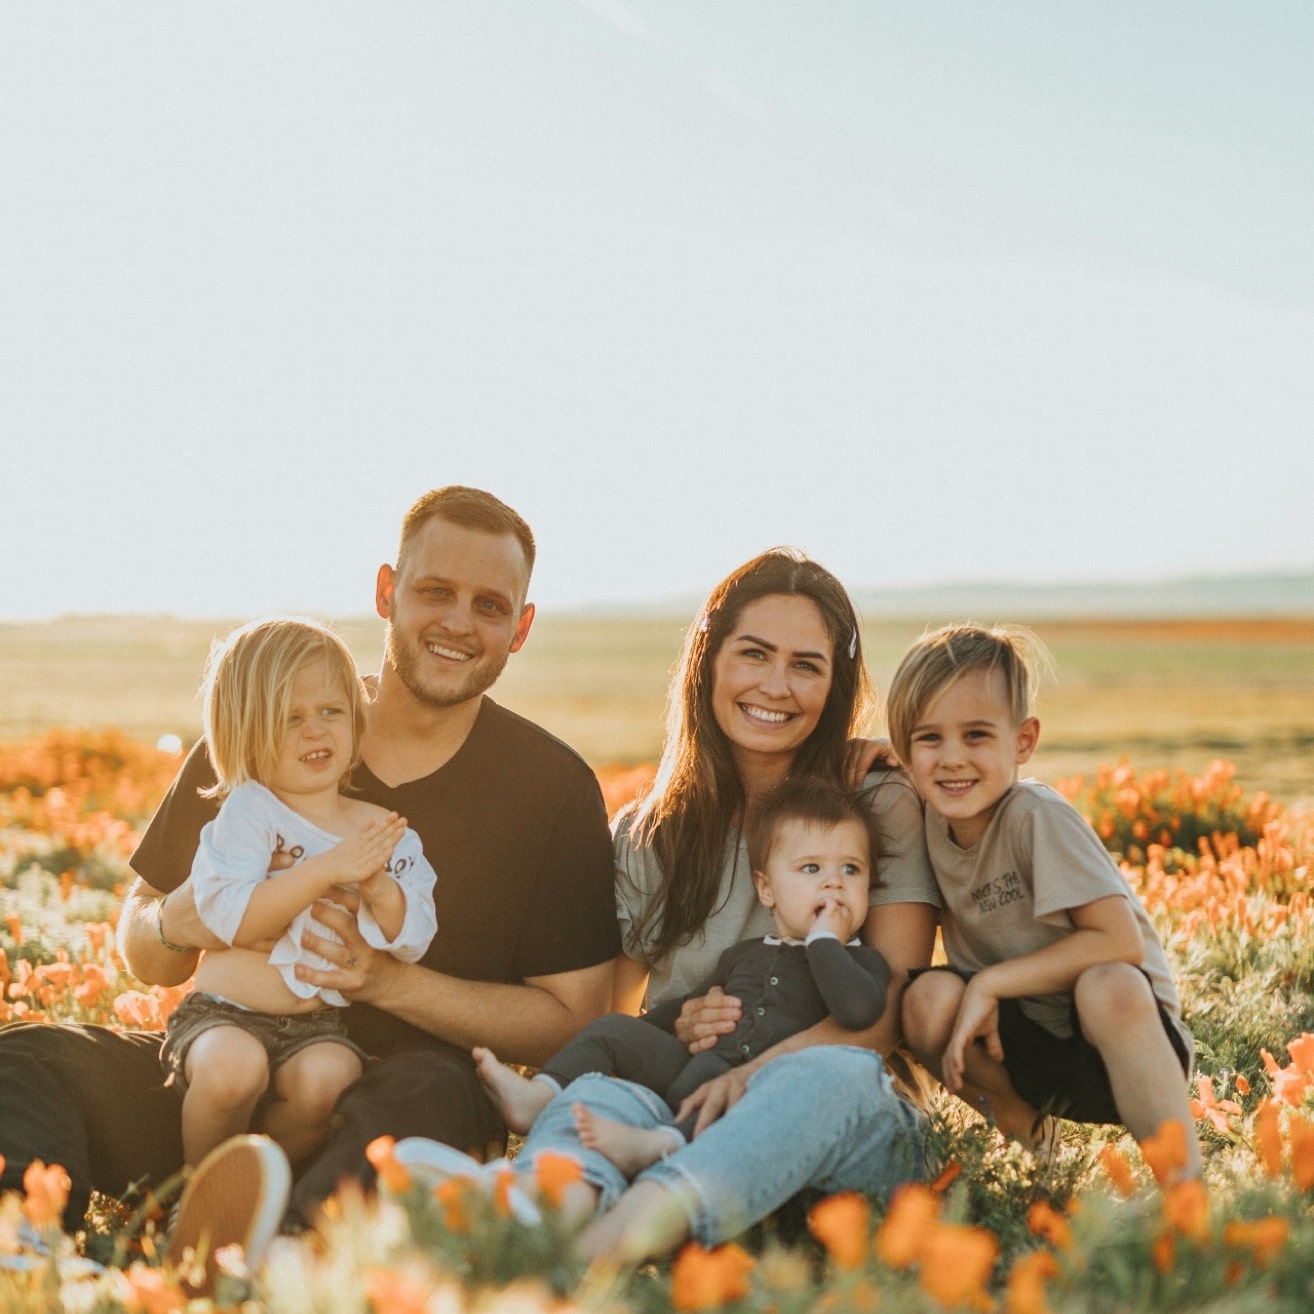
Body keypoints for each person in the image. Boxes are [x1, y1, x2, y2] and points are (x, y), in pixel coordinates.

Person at [0, 487, 619, 1277]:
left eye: (489, 605)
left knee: (429, 1095)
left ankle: (270, 1253)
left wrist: (385, 982)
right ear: (386, 592)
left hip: (393, 1108)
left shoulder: (552, 788)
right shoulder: (270, 726)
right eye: (436, 592)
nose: (459, 623)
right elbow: (144, 945)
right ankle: (22, 1246)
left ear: (520, 628)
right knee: (30, 1058)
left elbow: (570, 1020)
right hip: (224, 1077)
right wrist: (186, 921)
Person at [401, 548, 940, 1264]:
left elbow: (887, 1019)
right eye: (754, 654)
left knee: (826, 1075)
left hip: (842, 1125)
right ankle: (538, 1207)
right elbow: (609, 1018)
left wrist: (752, 1074)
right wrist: (678, 1024)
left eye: (806, 665)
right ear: (709, 660)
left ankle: (602, 1248)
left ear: (834, 685)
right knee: (603, 1088)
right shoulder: (649, 835)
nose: (776, 686)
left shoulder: (875, 804)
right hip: (684, 1111)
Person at [886, 623, 1200, 1176]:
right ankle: (1036, 1154)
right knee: (924, 1001)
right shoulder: (927, 820)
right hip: (1023, 1047)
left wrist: (990, 981)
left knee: (1110, 984)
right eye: (929, 738)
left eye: (977, 735)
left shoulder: (1036, 817)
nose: (952, 758)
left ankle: (1184, 1189)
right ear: (905, 750)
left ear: (1024, 741)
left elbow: (1118, 941)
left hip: (1119, 1045)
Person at [474, 775, 891, 1177]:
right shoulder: (744, 954)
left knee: (722, 1095)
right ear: (767, 889)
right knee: (613, 1030)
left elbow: (857, 1010)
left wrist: (824, 943)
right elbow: (683, 1008)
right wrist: (651, 1031)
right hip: (693, 1069)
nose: (834, 884)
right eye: (812, 869)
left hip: (760, 1093)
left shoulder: (863, 964)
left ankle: (659, 1145)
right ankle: (539, 1095)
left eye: (851, 870)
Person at [162, 616, 438, 1171]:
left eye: (331, 713)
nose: (315, 732)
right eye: (290, 719)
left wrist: (377, 887)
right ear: (246, 733)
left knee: (329, 1080)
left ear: (356, 722)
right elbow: (231, 919)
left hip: (317, 1026)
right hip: (223, 1013)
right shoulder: (249, 811)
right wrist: (326, 869)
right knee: (233, 1072)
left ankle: (259, 1188)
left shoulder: (381, 828)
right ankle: (195, 1191)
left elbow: (413, 938)